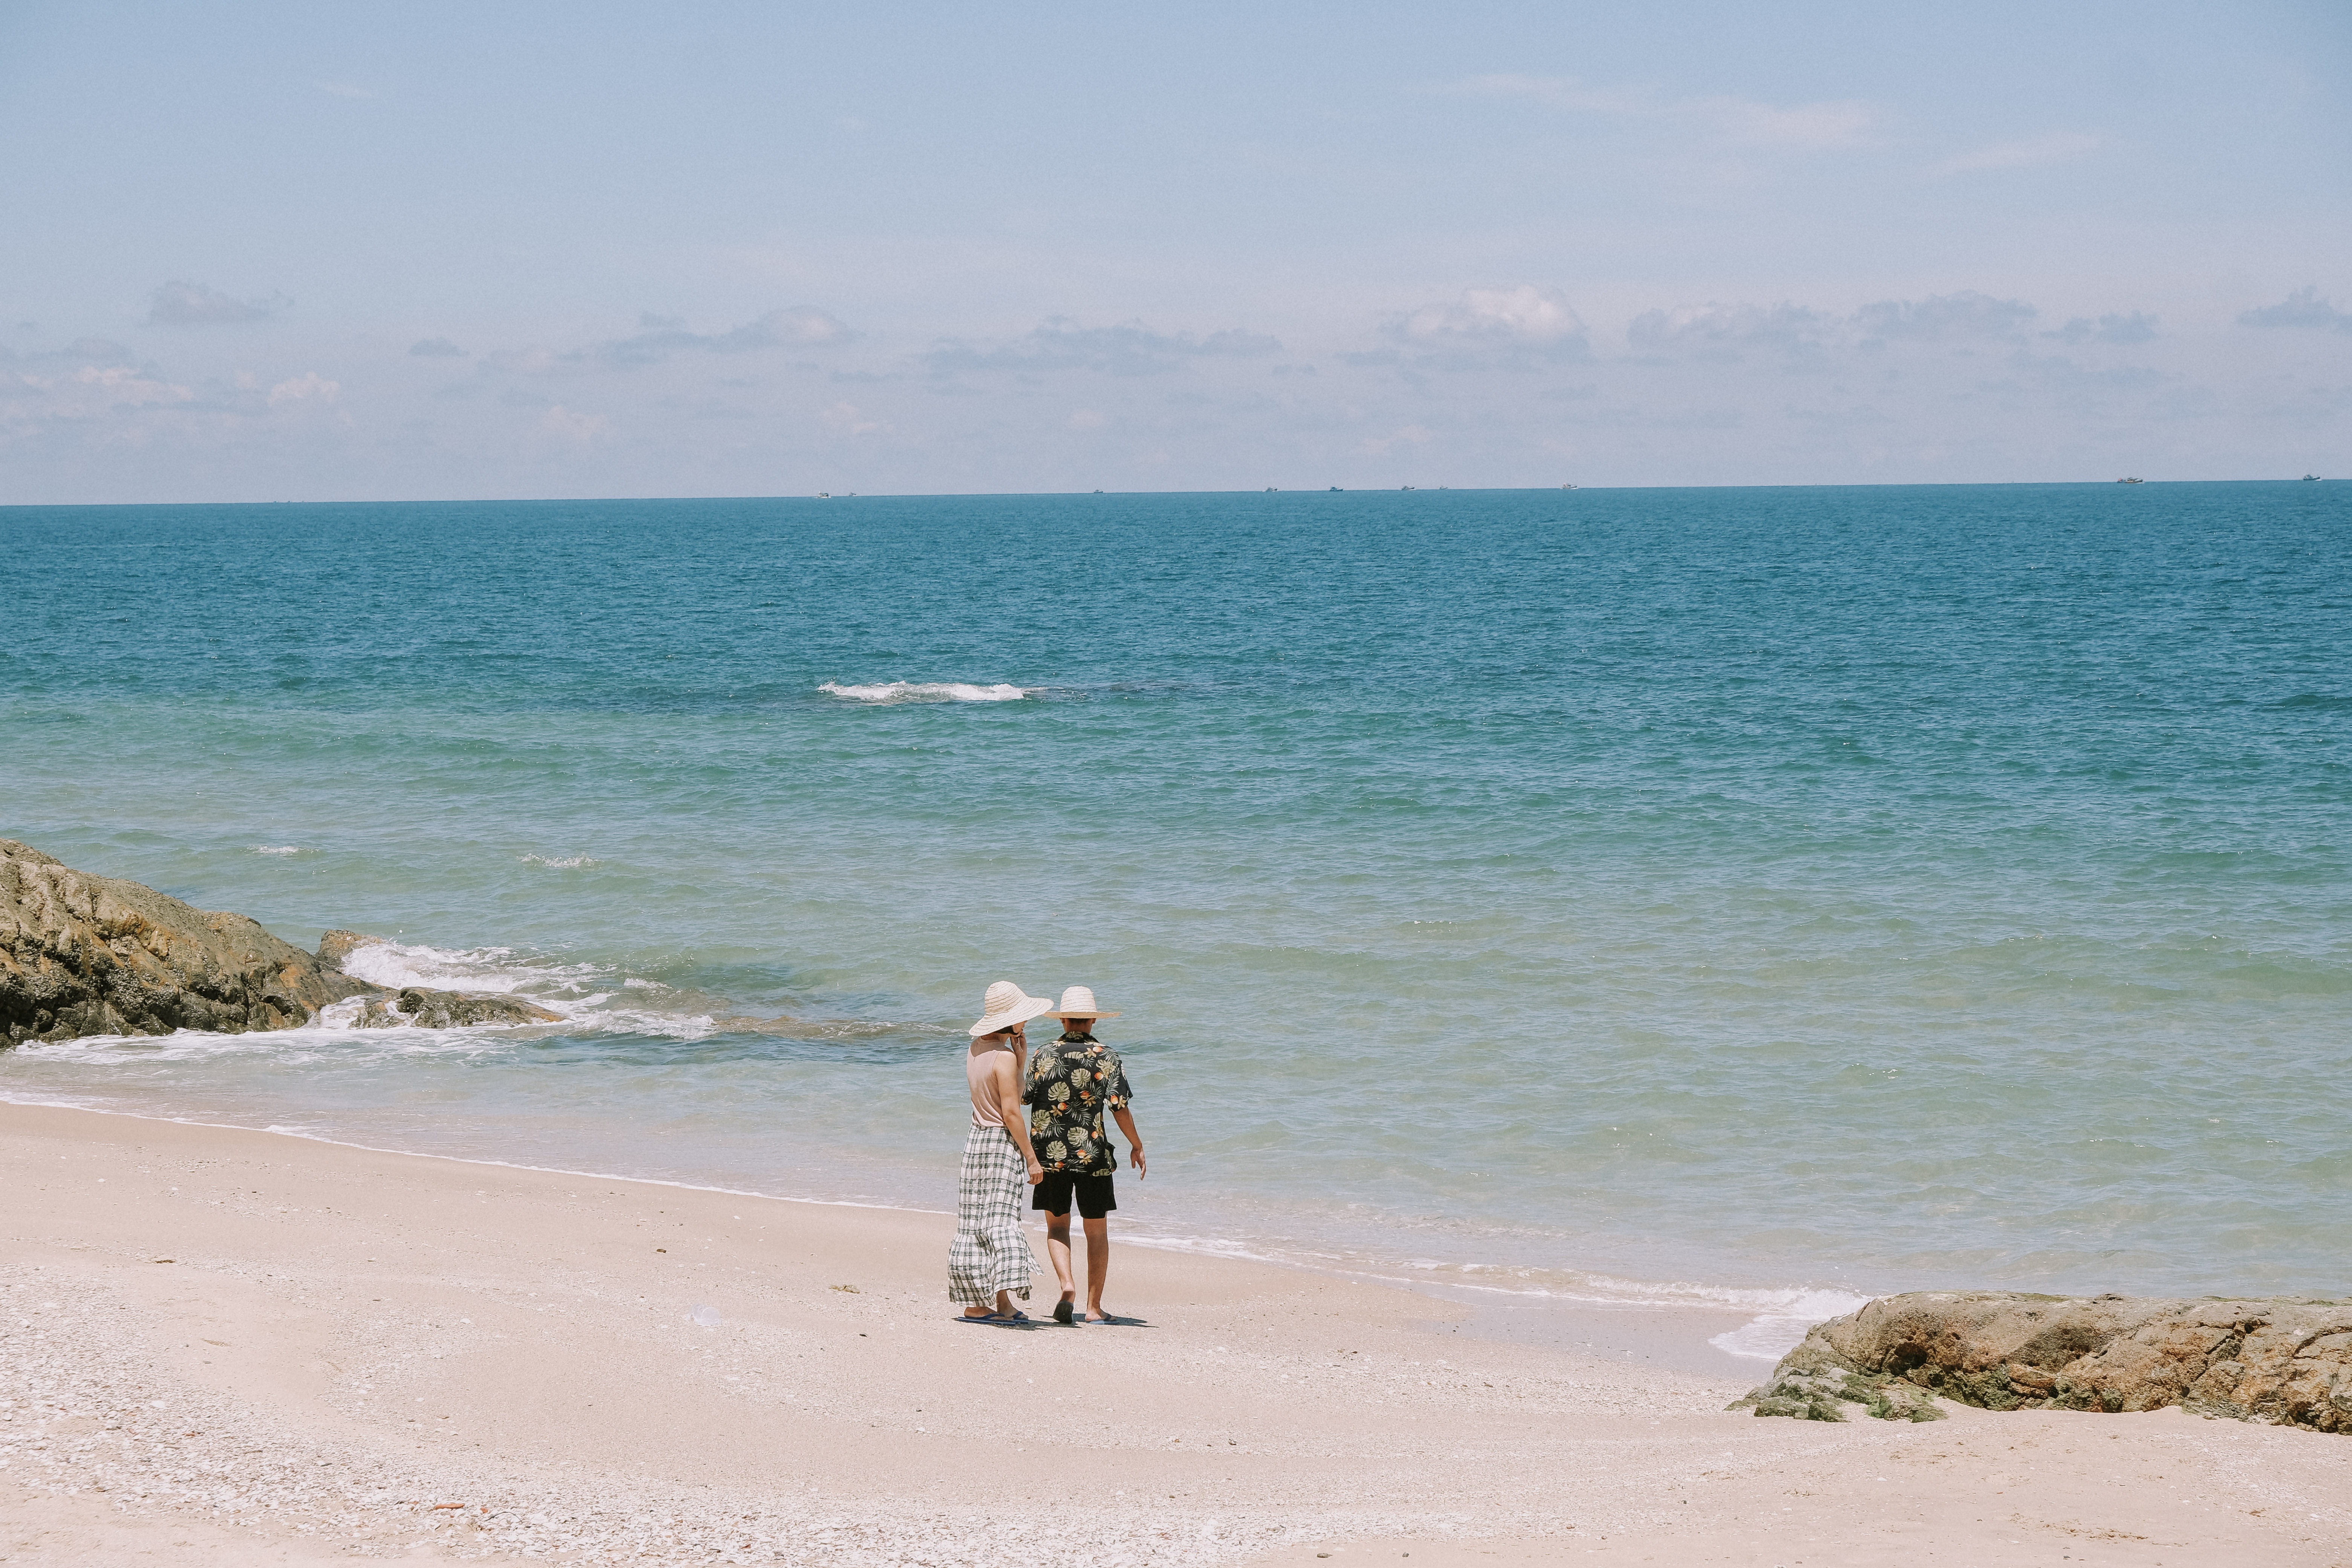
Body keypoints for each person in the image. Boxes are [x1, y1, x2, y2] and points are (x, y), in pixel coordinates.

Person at [1024, 985, 1145, 1325]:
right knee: (1096, 1231)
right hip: (1092, 1157)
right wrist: (1136, 1144)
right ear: (1092, 1020)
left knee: (1058, 1227)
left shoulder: (1043, 1054)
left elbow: (1025, 1097)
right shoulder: (1107, 1056)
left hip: (1048, 1156)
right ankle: (1093, 1309)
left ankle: (1066, 1284)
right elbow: (1120, 1108)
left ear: (1063, 1020)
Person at [949, 981, 1052, 1324]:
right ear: (1009, 1021)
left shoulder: (976, 1048)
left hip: (975, 1142)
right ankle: (1004, 1305)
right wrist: (1032, 1158)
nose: (1026, 1023)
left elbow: (997, 1098)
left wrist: (1020, 1063)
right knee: (1002, 1223)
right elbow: (1011, 1112)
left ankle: (976, 1305)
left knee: (975, 1225)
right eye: (1022, 1017)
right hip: (1000, 1145)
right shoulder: (1004, 1057)